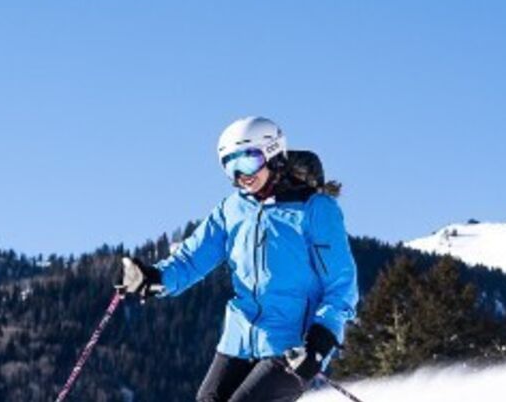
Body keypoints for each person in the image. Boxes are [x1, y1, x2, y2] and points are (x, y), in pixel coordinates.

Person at [118, 117, 358, 402]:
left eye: (248, 161)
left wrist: (321, 340)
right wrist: (154, 277)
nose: (241, 175)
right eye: (230, 166)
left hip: (293, 346)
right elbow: (192, 258)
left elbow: (341, 286)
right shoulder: (232, 210)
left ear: (273, 153)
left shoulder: (315, 210)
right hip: (238, 340)